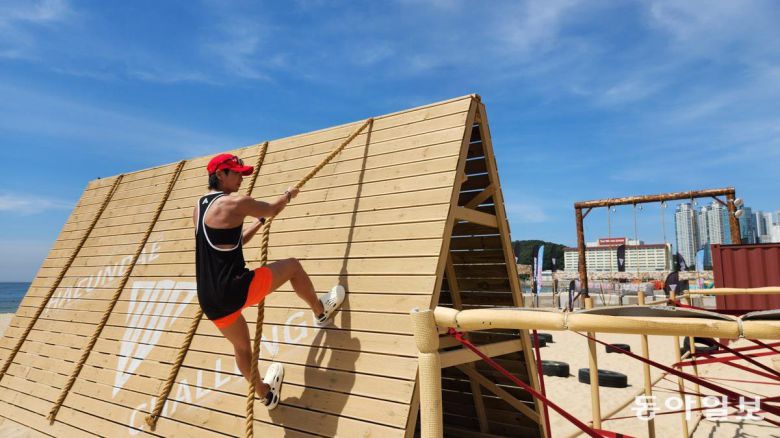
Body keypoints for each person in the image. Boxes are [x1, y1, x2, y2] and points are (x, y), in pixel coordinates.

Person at [193, 153, 345, 410]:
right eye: (237, 173)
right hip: (234, 289)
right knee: (293, 267)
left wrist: (257, 224)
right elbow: (273, 208)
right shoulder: (236, 202)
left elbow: (232, 242)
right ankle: (321, 312)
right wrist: (287, 195)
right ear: (220, 174)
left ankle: (265, 394)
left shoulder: (199, 207)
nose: (241, 178)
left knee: (242, 348)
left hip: (209, 299)